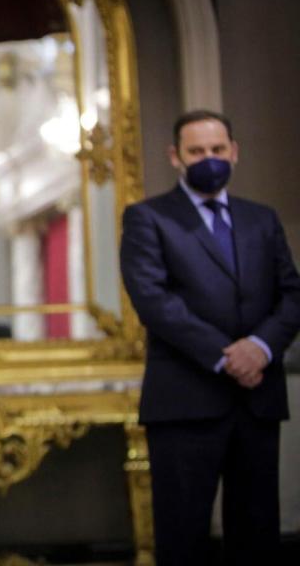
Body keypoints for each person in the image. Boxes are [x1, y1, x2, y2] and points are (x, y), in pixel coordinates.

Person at [119, 109, 300, 565]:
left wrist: (260, 348)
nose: (209, 159)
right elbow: (154, 301)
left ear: (234, 152)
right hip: (186, 402)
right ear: (175, 156)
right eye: (197, 151)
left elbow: (292, 295)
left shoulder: (262, 219)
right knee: (183, 538)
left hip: (257, 402)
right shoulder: (147, 218)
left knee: (257, 536)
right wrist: (227, 356)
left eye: (218, 149)